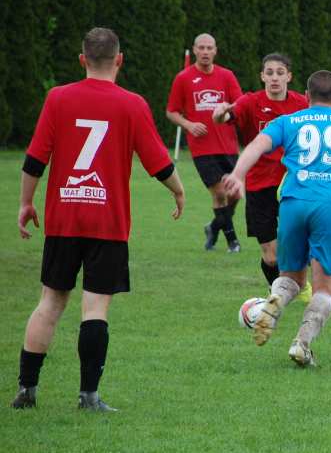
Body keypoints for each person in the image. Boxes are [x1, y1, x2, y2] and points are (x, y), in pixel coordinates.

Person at [11, 28, 186, 411]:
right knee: (95, 309)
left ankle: (26, 391)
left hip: (63, 220)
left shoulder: (58, 98)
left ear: (82, 60)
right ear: (119, 60)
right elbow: (158, 161)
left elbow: (35, 158)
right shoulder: (132, 104)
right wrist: (177, 189)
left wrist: (26, 202)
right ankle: (88, 396)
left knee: (50, 303)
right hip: (108, 222)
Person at [222, 70, 331, 367]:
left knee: (291, 277)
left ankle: (274, 302)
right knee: (325, 287)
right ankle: (301, 343)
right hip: (330, 207)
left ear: (306, 97)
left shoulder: (290, 120)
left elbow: (256, 145)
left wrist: (238, 174)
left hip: (293, 203)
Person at [213, 53, 309, 288]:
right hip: (259, 186)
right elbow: (224, 116)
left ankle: (287, 292)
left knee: (297, 244)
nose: (274, 78)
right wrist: (219, 113)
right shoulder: (249, 102)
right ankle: (279, 290)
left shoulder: (301, 104)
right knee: (271, 255)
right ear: (262, 76)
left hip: (293, 185)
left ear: (289, 76)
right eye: (269, 73)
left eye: (279, 72)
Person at [167, 33, 243, 252]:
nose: (206, 52)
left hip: (228, 146)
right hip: (202, 149)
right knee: (220, 193)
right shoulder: (183, 78)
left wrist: (228, 111)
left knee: (235, 194)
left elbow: (238, 105)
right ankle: (232, 241)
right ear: (195, 49)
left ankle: (213, 227)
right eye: (201, 48)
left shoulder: (227, 76)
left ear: (215, 50)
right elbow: (171, 112)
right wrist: (189, 125)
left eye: (210, 48)